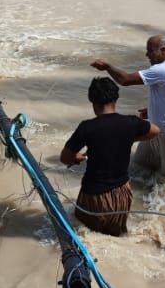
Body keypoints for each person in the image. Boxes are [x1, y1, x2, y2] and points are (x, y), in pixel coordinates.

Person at [60, 78, 159, 236]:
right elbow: (155, 130)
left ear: (92, 101)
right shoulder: (130, 122)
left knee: (82, 234)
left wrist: (76, 158)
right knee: (117, 236)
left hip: (95, 197)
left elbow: (64, 157)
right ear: (115, 99)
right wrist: (130, 138)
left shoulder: (87, 127)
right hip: (122, 195)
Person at [90, 35, 165, 181]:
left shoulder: (163, 70)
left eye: (150, 50)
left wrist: (108, 67)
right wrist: (153, 110)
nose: (146, 55)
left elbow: (125, 80)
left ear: (162, 50)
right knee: (139, 168)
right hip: (154, 129)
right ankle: (144, 200)